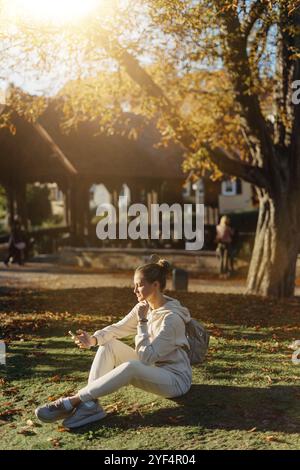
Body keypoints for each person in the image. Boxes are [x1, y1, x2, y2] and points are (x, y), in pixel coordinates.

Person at [35, 258, 192, 429]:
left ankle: (74, 400)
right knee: (109, 344)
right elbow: (118, 328)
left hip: (175, 379)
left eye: (139, 285)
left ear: (155, 285)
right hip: (153, 367)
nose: (134, 290)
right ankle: (90, 406)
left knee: (131, 367)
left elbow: (146, 358)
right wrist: (93, 340)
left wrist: (142, 321)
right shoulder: (145, 306)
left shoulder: (172, 318)